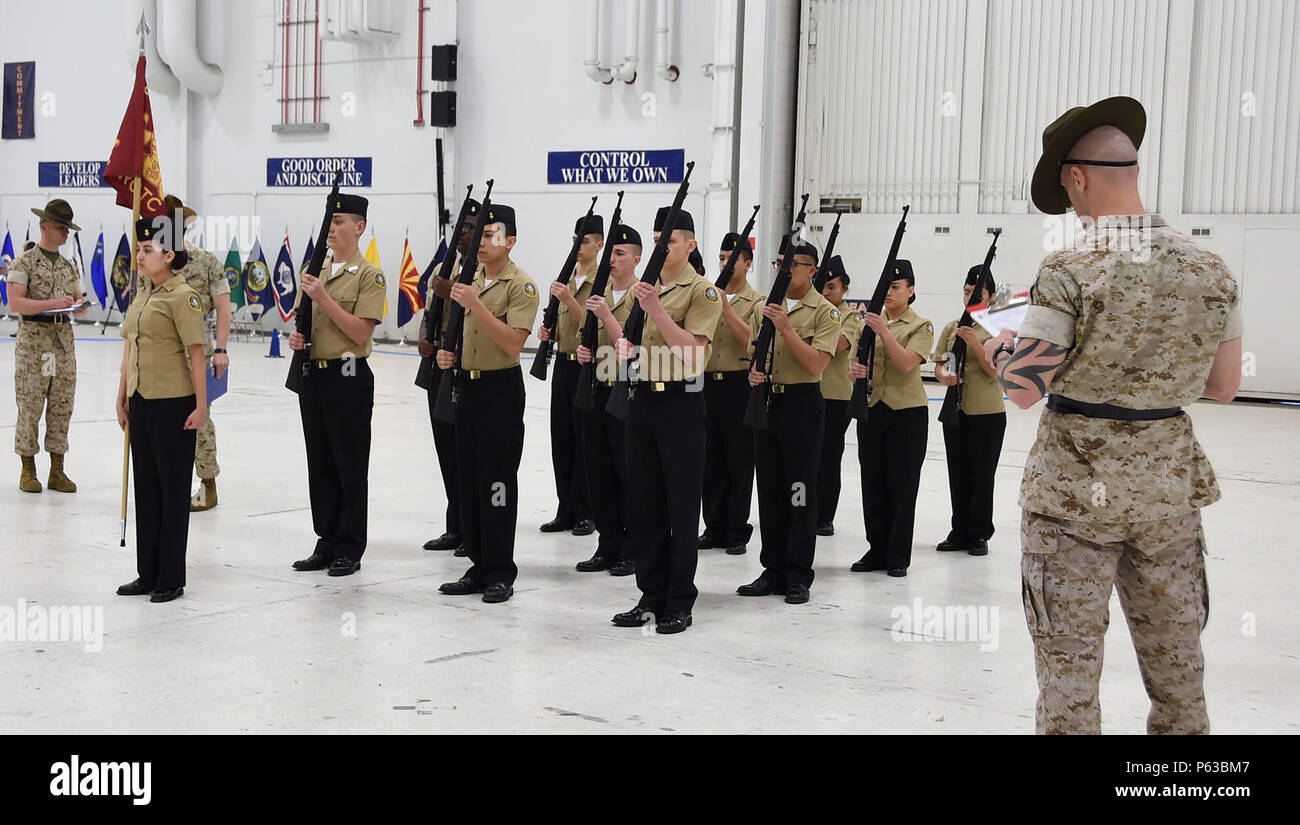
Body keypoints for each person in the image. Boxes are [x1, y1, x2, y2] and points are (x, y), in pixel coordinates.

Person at [992, 97, 1241, 734]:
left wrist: (995, 349)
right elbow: (1225, 385)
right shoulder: (1211, 267)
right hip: (1168, 491)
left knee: (1070, 674)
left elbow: (1023, 388)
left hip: (1075, 494)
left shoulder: (1069, 267)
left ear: (1076, 178)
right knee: (1179, 667)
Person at [610, 207, 722, 634]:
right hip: (642, 403)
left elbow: (693, 354)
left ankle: (679, 599)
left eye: (669, 240)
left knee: (679, 506)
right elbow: (630, 342)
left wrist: (656, 309)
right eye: (657, 238)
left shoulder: (703, 293)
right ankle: (650, 594)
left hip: (681, 403)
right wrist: (625, 348)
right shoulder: (646, 288)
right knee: (645, 505)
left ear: (690, 245)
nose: (662, 246)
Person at [437, 204, 539, 604]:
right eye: (478, 235)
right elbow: (468, 334)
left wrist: (476, 303)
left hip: (500, 391)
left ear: (510, 241)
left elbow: (514, 342)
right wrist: (452, 355)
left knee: (497, 484)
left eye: (490, 235)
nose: (480, 243)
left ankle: (500, 570)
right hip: (468, 388)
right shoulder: (473, 278)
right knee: (471, 480)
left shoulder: (520, 286)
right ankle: (478, 566)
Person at [288, 192, 386, 578]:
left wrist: (323, 297)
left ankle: (349, 545)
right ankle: (325, 539)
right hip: (315, 374)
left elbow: (360, 332)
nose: (333, 227)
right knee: (321, 463)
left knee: (349, 464)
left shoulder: (369, 275)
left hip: (349, 377)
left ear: (359, 227)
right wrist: (299, 339)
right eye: (330, 220)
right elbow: (307, 320)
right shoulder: (317, 270)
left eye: (340, 221)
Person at [738, 237, 839, 605]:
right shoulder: (766, 306)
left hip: (801, 406)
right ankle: (773, 568)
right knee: (769, 488)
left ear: (811, 270)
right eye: (780, 261)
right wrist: (754, 371)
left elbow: (816, 365)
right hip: (768, 403)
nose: (785, 269)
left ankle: (798, 573)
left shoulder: (824, 312)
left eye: (793, 263)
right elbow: (752, 351)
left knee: (799, 491)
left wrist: (786, 328)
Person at [114, 216, 207, 603]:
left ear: (169, 255)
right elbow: (129, 347)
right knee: (147, 490)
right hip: (141, 402)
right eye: (139, 249)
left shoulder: (182, 297)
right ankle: (147, 573)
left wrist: (202, 406)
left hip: (173, 405)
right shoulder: (144, 294)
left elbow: (197, 354)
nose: (140, 256)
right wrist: (121, 395)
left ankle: (171, 577)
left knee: (172, 493)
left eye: (148, 251)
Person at [848, 260, 934, 577]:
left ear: (911, 291)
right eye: (887, 286)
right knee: (872, 482)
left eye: (897, 287)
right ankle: (876, 549)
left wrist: (883, 332)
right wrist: (855, 371)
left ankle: (897, 554)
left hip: (906, 414)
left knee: (901, 484)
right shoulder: (865, 324)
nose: (890, 292)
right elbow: (852, 363)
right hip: (872, 408)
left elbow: (906, 364)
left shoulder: (921, 326)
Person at [6, 199, 88, 493]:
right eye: (60, 226)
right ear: (44, 226)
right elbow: (15, 303)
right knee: (30, 404)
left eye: (67, 228)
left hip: (63, 342)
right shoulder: (23, 262)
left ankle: (57, 469)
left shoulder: (68, 267)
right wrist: (54, 304)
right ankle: (28, 468)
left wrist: (79, 306)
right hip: (34, 343)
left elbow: (76, 297)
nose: (65, 233)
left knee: (61, 405)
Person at [574, 222, 640, 576]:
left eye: (620, 253)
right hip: (597, 390)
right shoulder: (599, 295)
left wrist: (604, 316)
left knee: (626, 472)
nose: (612, 259)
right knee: (597, 471)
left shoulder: (642, 297)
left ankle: (632, 545)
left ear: (636, 259)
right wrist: (585, 354)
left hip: (625, 392)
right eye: (610, 252)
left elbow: (632, 348)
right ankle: (608, 542)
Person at [163, 195, 232, 513]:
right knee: (161, 419)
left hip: (197, 352)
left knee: (200, 419)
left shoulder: (206, 262)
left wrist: (220, 350)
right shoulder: (152, 263)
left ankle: (208, 485)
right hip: (160, 352)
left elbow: (222, 308)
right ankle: (168, 483)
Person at [418, 199, 480, 556]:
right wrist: (425, 335)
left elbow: (460, 301)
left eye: (470, 229)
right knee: (446, 451)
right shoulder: (448, 265)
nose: (463, 236)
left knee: (463, 451)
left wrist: (446, 287)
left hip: (463, 366)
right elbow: (431, 308)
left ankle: (468, 528)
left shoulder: (473, 272)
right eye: (461, 228)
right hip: (438, 363)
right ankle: (453, 526)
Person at [536, 214, 603, 536]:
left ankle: (587, 510)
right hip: (563, 363)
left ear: (599, 244)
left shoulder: (599, 282)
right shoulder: (566, 280)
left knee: (584, 438)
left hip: (588, 365)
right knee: (561, 437)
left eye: (585, 241)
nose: (578, 246)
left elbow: (594, 326)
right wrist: (548, 332)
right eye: (575, 239)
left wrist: (566, 299)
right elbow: (564, 328)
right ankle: (565, 507)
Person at [932, 265, 1005, 556]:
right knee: (957, 472)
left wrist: (975, 343)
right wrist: (943, 376)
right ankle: (959, 529)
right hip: (956, 410)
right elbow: (940, 363)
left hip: (986, 413)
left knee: (982, 474)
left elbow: (993, 372)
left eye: (976, 293)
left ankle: (979, 533)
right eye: (966, 292)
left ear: (991, 297)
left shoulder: (999, 329)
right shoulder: (952, 328)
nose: (969, 297)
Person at [699, 232, 764, 555]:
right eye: (721, 258)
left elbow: (750, 339)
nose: (725, 264)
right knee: (710, 458)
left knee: (740, 459)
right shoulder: (707, 295)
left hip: (740, 383)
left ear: (747, 264)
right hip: (708, 381)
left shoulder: (758, 302)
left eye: (731, 259)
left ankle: (737, 529)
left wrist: (725, 308)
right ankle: (713, 525)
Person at [816, 256, 863, 536]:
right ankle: (805, 507)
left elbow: (840, 343)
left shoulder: (851, 316)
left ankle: (825, 515)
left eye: (832, 287)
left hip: (836, 397)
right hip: (810, 392)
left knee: (830, 455)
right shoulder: (816, 312)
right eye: (822, 286)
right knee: (808, 456)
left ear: (844, 288)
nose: (825, 292)